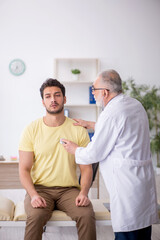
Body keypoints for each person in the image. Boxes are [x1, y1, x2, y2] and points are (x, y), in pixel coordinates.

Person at [61, 70, 159, 240]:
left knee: (127, 233)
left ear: (104, 92)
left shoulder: (110, 113)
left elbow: (94, 153)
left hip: (126, 186)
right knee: (142, 233)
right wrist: (92, 124)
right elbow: (123, 130)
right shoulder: (134, 104)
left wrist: (75, 149)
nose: (93, 93)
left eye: (94, 89)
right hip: (141, 183)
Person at [19, 78, 96, 240]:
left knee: (86, 214)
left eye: (57, 95)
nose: (53, 100)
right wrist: (33, 195)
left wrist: (84, 192)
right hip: (40, 189)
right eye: (48, 96)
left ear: (64, 99)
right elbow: (24, 169)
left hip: (69, 190)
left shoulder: (78, 129)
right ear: (43, 102)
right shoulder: (31, 129)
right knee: (36, 215)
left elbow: (86, 168)